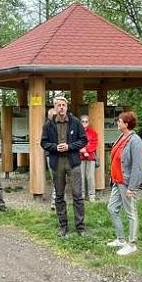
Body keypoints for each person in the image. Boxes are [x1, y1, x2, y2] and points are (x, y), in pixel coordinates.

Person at [41, 96, 87, 237]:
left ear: (67, 107)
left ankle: (80, 227)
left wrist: (69, 146)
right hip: (57, 162)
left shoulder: (75, 122)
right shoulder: (48, 125)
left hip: (72, 161)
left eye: (63, 105)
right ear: (54, 108)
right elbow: (43, 143)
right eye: (58, 105)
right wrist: (55, 147)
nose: (61, 107)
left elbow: (83, 140)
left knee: (77, 195)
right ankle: (63, 226)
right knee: (59, 196)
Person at [106, 111, 142, 256]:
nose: (118, 123)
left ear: (126, 124)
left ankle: (132, 243)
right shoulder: (122, 137)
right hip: (117, 181)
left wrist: (132, 187)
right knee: (112, 208)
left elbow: (137, 166)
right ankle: (121, 239)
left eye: (120, 121)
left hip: (127, 183)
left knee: (131, 213)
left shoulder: (135, 140)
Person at [79, 115, 98, 202]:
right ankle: (82, 195)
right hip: (80, 157)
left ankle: (92, 195)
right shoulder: (77, 132)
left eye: (86, 121)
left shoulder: (93, 132)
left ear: (89, 122)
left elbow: (94, 145)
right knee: (81, 177)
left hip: (90, 157)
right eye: (83, 121)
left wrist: (86, 149)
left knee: (90, 177)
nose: (84, 123)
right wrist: (83, 151)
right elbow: (75, 143)